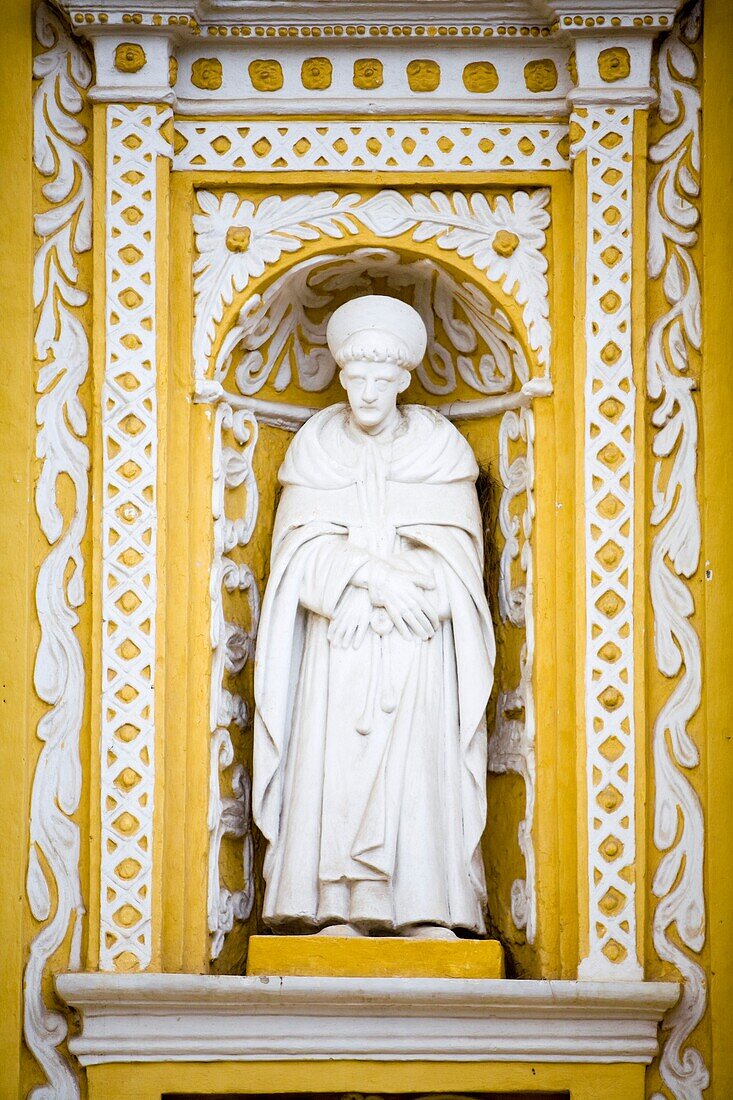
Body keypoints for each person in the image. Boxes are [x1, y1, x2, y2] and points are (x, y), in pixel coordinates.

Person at [253, 295, 495, 938]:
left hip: (415, 644)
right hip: (340, 642)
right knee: (335, 766)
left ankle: (426, 907)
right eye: (355, 377)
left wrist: (422, 591)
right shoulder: (315, 446)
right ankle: (333, 905)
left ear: (404, 380)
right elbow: (294, 556)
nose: (366, 391)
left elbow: (461, 560)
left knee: (416, 773)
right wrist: (369, 577)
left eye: (380, 379)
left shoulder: (440, 448)